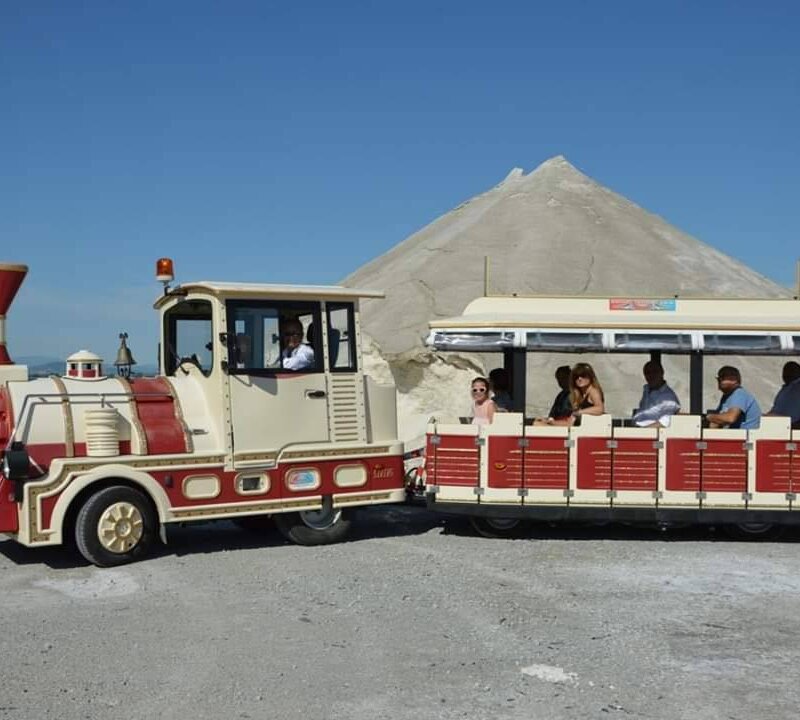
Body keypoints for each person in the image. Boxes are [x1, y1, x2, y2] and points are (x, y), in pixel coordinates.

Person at [706, 365, 761, 430]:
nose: (719, 381)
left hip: (745, 437)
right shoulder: (727, 396)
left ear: (734, 380)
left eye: (722, 377)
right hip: (734, 435)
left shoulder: (739, 394)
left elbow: (730, 418)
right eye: (719, 378)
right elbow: (717, 421)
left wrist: (708, 417)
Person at [632, 360, 680, 427]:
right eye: (647, 373)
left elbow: (665, 422)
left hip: (651, 434)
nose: (651, 375)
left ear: (662, 373)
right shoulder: (647, 390)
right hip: (636, 429)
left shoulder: (668, 397)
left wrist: (643, 431)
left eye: (655, 372)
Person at [765, 361, 800, 428]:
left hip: (792, 426)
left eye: (791, 371)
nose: (786, 374)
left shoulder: (796, 387)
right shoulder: (785, 388)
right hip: (779, 423)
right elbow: (776, 409)